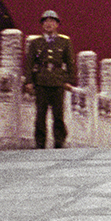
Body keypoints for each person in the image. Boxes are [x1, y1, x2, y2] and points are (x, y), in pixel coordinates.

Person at [22, 10, 76, 149]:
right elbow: (29, 63)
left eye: (52, 21)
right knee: (41, 113)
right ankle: (40, 141)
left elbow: (70, 62)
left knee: (58, 113)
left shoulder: (64, 41)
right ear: (42, 25)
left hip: (58, 82)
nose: (48, 24)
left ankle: (59, 139)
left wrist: (70, 81)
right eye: (45, 22)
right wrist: (28, 81)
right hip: (41, 81)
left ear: (57, 24)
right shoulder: (36, 43)